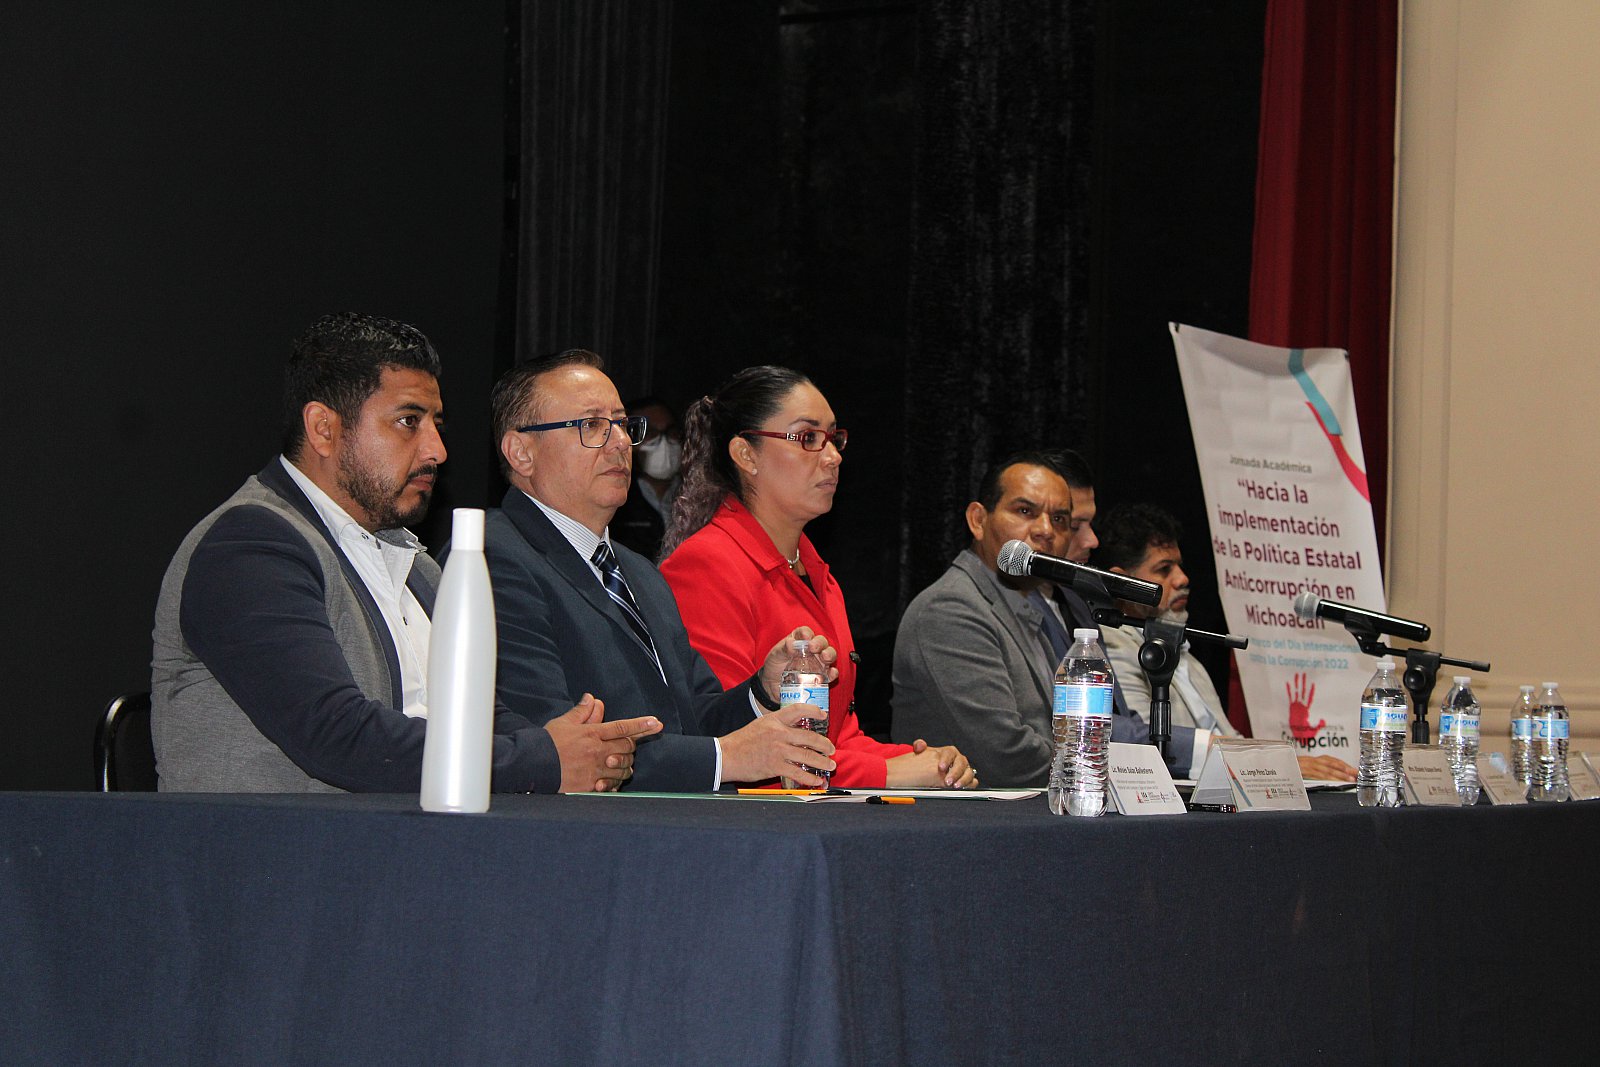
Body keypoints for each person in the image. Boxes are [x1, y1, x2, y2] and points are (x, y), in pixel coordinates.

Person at [151, 312, 659, 793]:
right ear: (324, 428)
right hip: (279, 850)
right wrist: (542, 759)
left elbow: (482, 717)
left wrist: (578, 746)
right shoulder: (249, 547)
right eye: (408, 421)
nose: (437, 450)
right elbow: (338, 737)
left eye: (436, 423)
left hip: (402, 839)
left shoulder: (414, 564)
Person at [480, 350, 841, 792]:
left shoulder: (638, 572)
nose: (619, 442)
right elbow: (554, 743)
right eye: (591, 425)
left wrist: (763, 691)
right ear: (521, 452)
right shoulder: (493, 556)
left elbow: (696, 718)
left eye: (621, 424)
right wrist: (726, 758)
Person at [659, 365, 976, 790]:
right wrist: (887, 773)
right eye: (808, 438)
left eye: (833, 439)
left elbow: (840, 740)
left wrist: (924, 762)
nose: (833, 457)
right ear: (746, 455)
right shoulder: (705, 565)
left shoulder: (817, 574)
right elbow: (731, 740)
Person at [889, 451, 1204, 787]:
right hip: (967, 816)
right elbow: (1008, 757)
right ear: (978, 520)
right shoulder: (951, 609)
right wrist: (1131, 772)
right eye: (1025, 511)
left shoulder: (1023, 602)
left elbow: (1071, 730)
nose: (1045, 530)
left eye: (1059, 519)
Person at [1093, 503, 1357, 782]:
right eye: (1164, 569)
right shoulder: (1111, 646)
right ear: (1123, 580)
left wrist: (1284, 763)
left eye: (1179, 566)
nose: (1182, 578)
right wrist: (1277, 762)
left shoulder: (1183, 654)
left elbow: (1227, 737)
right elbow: (1147, 744)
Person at [610, 395, 681, 561]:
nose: (663, 442)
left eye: (670, 432)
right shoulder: (617, 500)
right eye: (651, 434)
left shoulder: (699, 498)